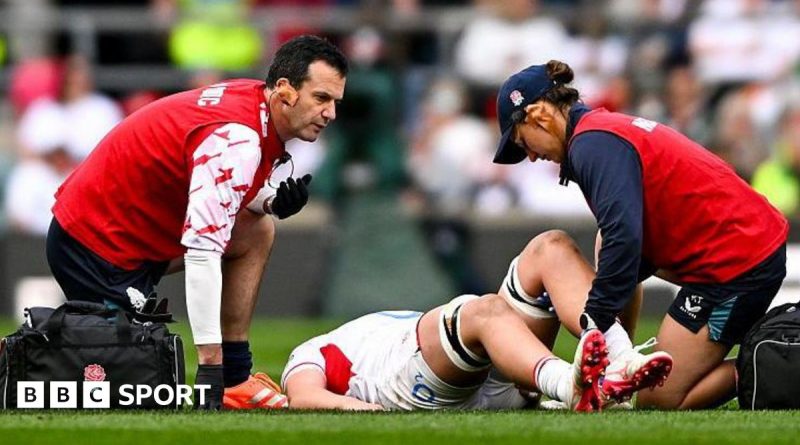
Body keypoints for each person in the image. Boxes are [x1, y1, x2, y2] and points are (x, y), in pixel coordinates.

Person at [46, 35, 348, 410]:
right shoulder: (238, 137)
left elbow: (210, 182)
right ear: (285, 91)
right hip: (93, 245)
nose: (331, 113)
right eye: (321, 98)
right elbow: (203, 250)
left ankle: (237, 378)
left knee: (257, 228)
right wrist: (209, 368)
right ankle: (28, 352)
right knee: (122, 384)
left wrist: (270, 201)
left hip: (124, 235)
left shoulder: (254, 101)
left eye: (335, 101)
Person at [492, 61, 788, 409]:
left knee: (658, 400)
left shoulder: (591, 144)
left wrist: (595, 319)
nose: (529, 155)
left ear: (539, 115)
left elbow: (625, 235)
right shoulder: (598, 132)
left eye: (522, 141)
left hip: (739, 264)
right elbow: (623, 236)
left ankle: (781, 360)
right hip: (739, 246)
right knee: (608, 243)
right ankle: (621, 364)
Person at [282, 230, 672, 412]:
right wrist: (362, 410)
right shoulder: (314, 349)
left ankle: (618, 366)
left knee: (549, 248)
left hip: (499, 379)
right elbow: (302, 394)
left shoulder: (376, 328)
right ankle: (570, 386)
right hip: (412, 385)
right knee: (482, 309)